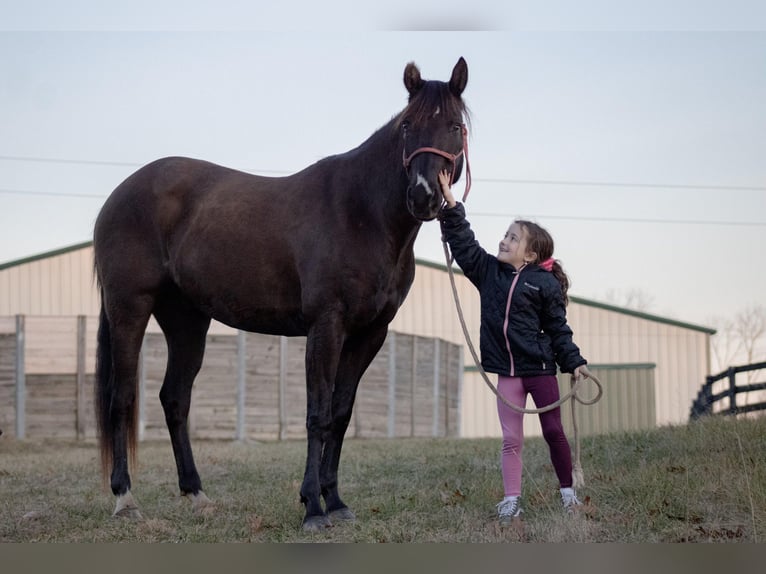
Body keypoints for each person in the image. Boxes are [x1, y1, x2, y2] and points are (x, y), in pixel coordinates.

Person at [437, 170, 592, 525]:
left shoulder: (543, 284)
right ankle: (511, 500)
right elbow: (464, 243)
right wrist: (450, 203)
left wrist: (574, 363)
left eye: (513, 238)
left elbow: (558, 329)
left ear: (531, 254)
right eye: (506, 234)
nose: (504, 240)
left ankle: (567, 492)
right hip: (506, 372)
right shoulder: (488, 271)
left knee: (553, 431)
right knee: (511, 439)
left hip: (538, 370)